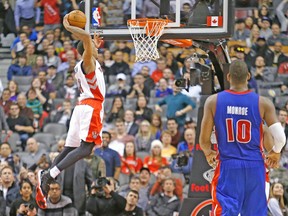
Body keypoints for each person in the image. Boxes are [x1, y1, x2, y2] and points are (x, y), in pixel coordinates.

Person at [199, 60, 286, 215]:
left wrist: (208, 152)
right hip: (255, 166)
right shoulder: (263, 103)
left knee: (225, 212)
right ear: (248, 76)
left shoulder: (213, 101)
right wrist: (275, 152)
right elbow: (280, 137)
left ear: (228, 77)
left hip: (228, 165)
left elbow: (204, 140)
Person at [36, 14, 105, 209]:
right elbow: (86, 46)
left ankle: (45, 177)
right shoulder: (88, 62)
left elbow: (89, 48)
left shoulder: (83, 64)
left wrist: (93, 43)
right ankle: (51, 174)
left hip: (81, 107)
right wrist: (78, 30)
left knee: (69, 148)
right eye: (92, 46)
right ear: (87, 51)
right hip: (91, 106)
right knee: (86, 149)